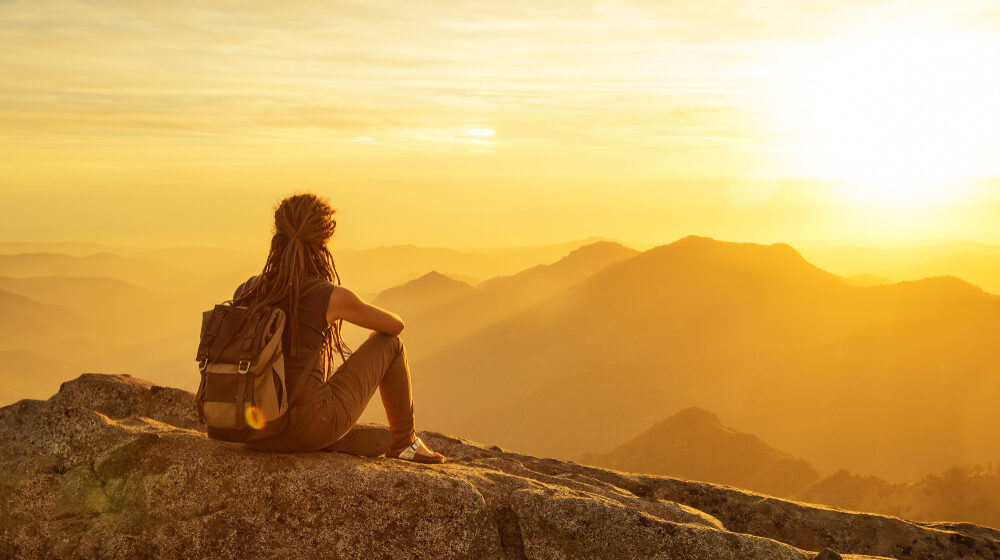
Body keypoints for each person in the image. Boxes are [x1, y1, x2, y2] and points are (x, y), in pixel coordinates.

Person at [232, 192, 445, 463]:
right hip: (305, 428)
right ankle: (405, 443)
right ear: (323, 241)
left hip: (253, 429)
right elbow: (395, 326)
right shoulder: (328, 296)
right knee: (390, 345)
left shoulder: (247, 290)